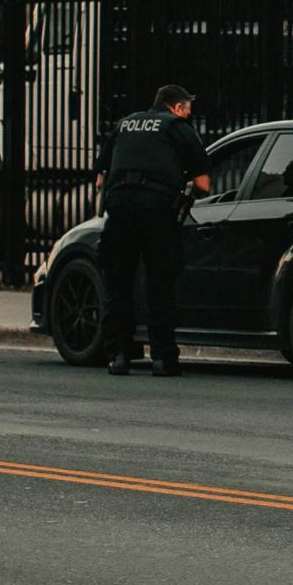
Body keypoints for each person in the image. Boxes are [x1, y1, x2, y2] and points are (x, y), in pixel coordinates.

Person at [94, 84, 210, 377]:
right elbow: (203, 184)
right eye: (188, 108)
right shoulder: (177, 128)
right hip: (156, 209)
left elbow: (99, 180)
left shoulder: (125, 125)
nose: (189, 113)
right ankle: (162, 358)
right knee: (161, 282)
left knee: (118, 283)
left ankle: (118, 356)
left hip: (119, 207)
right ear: (177, 107)